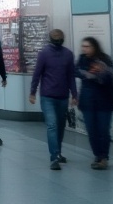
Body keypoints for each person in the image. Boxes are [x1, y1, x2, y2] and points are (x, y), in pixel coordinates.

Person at [29, 29, 78, 170]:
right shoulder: (44, 53)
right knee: (52, 125)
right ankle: (54, 157)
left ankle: (58, 152)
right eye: (55, 37)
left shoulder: (68, 54)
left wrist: (74, 94)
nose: (58, 40)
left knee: (61, 126)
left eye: (59, 37)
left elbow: (71, 76)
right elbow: (37, 74)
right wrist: (33, 92)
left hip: (63, 96)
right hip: (47, 96)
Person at [76, 36, 113, 169]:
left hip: (104, 100)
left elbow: (109, 77)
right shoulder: (82, 59)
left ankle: (104, 157)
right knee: (91, 130)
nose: (84, 49)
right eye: (83, 46)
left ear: (94, 47)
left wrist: (98, 73)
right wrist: (89, 74)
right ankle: (97, 156)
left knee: (103, 130)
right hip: (88, 101)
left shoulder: (105, 59)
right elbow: (76, 72)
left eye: (87, 46)